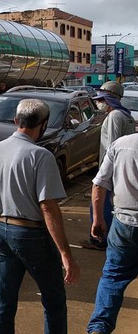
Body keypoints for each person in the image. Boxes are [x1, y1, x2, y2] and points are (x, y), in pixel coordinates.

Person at [0, 98, 80, 334]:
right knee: (53, 300)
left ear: (16, 121)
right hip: (30, 232)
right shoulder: (40, 156)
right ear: (43, 124)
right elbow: (48, 207)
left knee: (4, 300)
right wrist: (66, 254)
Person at [86, 133, 138, 334]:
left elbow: (99, 185)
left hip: (123, 223)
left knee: (113, 276)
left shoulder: (121, 144)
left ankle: (99, 328)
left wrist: (98, 220)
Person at [81, 81, 135, 251]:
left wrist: (105, 172)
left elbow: (112, 145)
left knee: (99, 204)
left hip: (110, 168)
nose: (99, 103)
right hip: (120, 168)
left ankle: (99, 239)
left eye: (102, 100)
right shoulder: (125, 115)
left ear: (111, 99)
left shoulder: (114, 116)